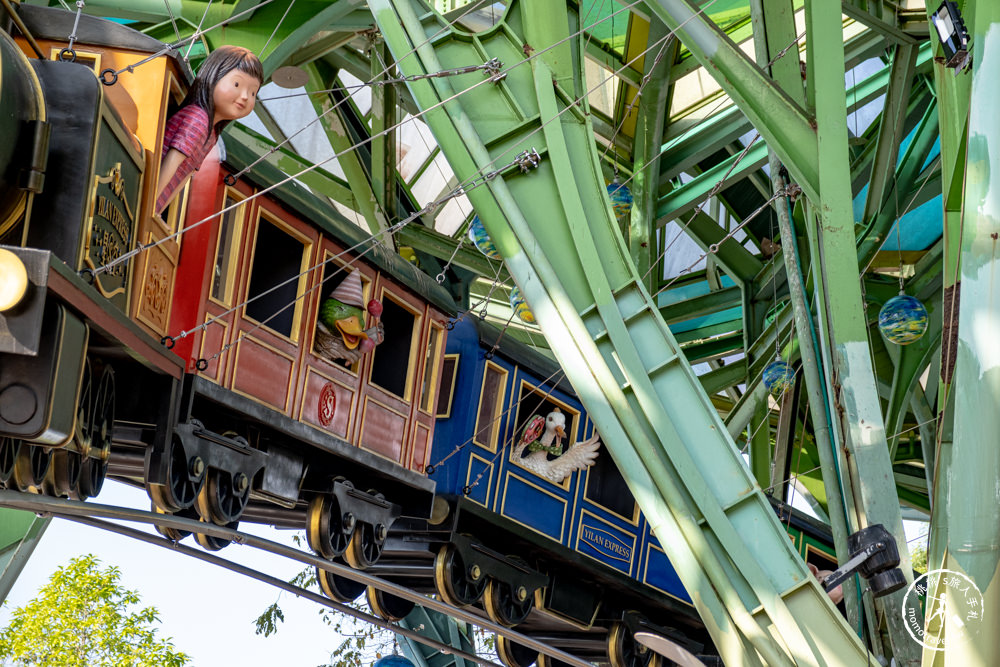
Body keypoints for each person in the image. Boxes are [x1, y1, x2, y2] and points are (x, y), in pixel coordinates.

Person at [156, 45, 263, 214]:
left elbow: (185, 175)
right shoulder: (198, 119)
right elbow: (173, 161)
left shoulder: (211, 133)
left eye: (252, 93)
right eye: (237, 84)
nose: (244, 96)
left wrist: (157, 211)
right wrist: (151, 203)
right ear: (214, 77)